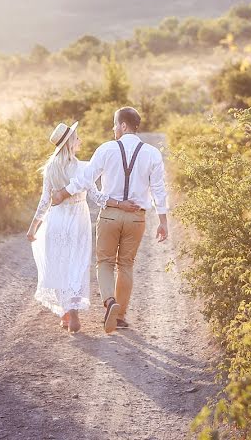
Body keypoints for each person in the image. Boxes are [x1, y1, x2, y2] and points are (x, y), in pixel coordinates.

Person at [52, 106, 169, 334]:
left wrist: (63, 193)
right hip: (137, 218)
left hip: (109, 216)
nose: (113, 128)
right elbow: (159, 190)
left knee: (105, 263)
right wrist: (163, 221)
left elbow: (85, 180)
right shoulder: (153, 153)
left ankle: (109, 302)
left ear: (123, 125)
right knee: (126, 265)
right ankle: (121, 316)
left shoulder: (106, 149)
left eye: (115, 124)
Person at [26, 121, 110, 333]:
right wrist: (117, 200)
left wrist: (33, 226)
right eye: (77, 137)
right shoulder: (84, 167)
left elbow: (45, 201)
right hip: (78, 220)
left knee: (59, 264)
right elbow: (97, 196)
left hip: (56, 219)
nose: (80, 140)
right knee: (77, 264)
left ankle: (65, 312)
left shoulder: (50, 169)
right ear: (71, 143)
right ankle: (73, 312)